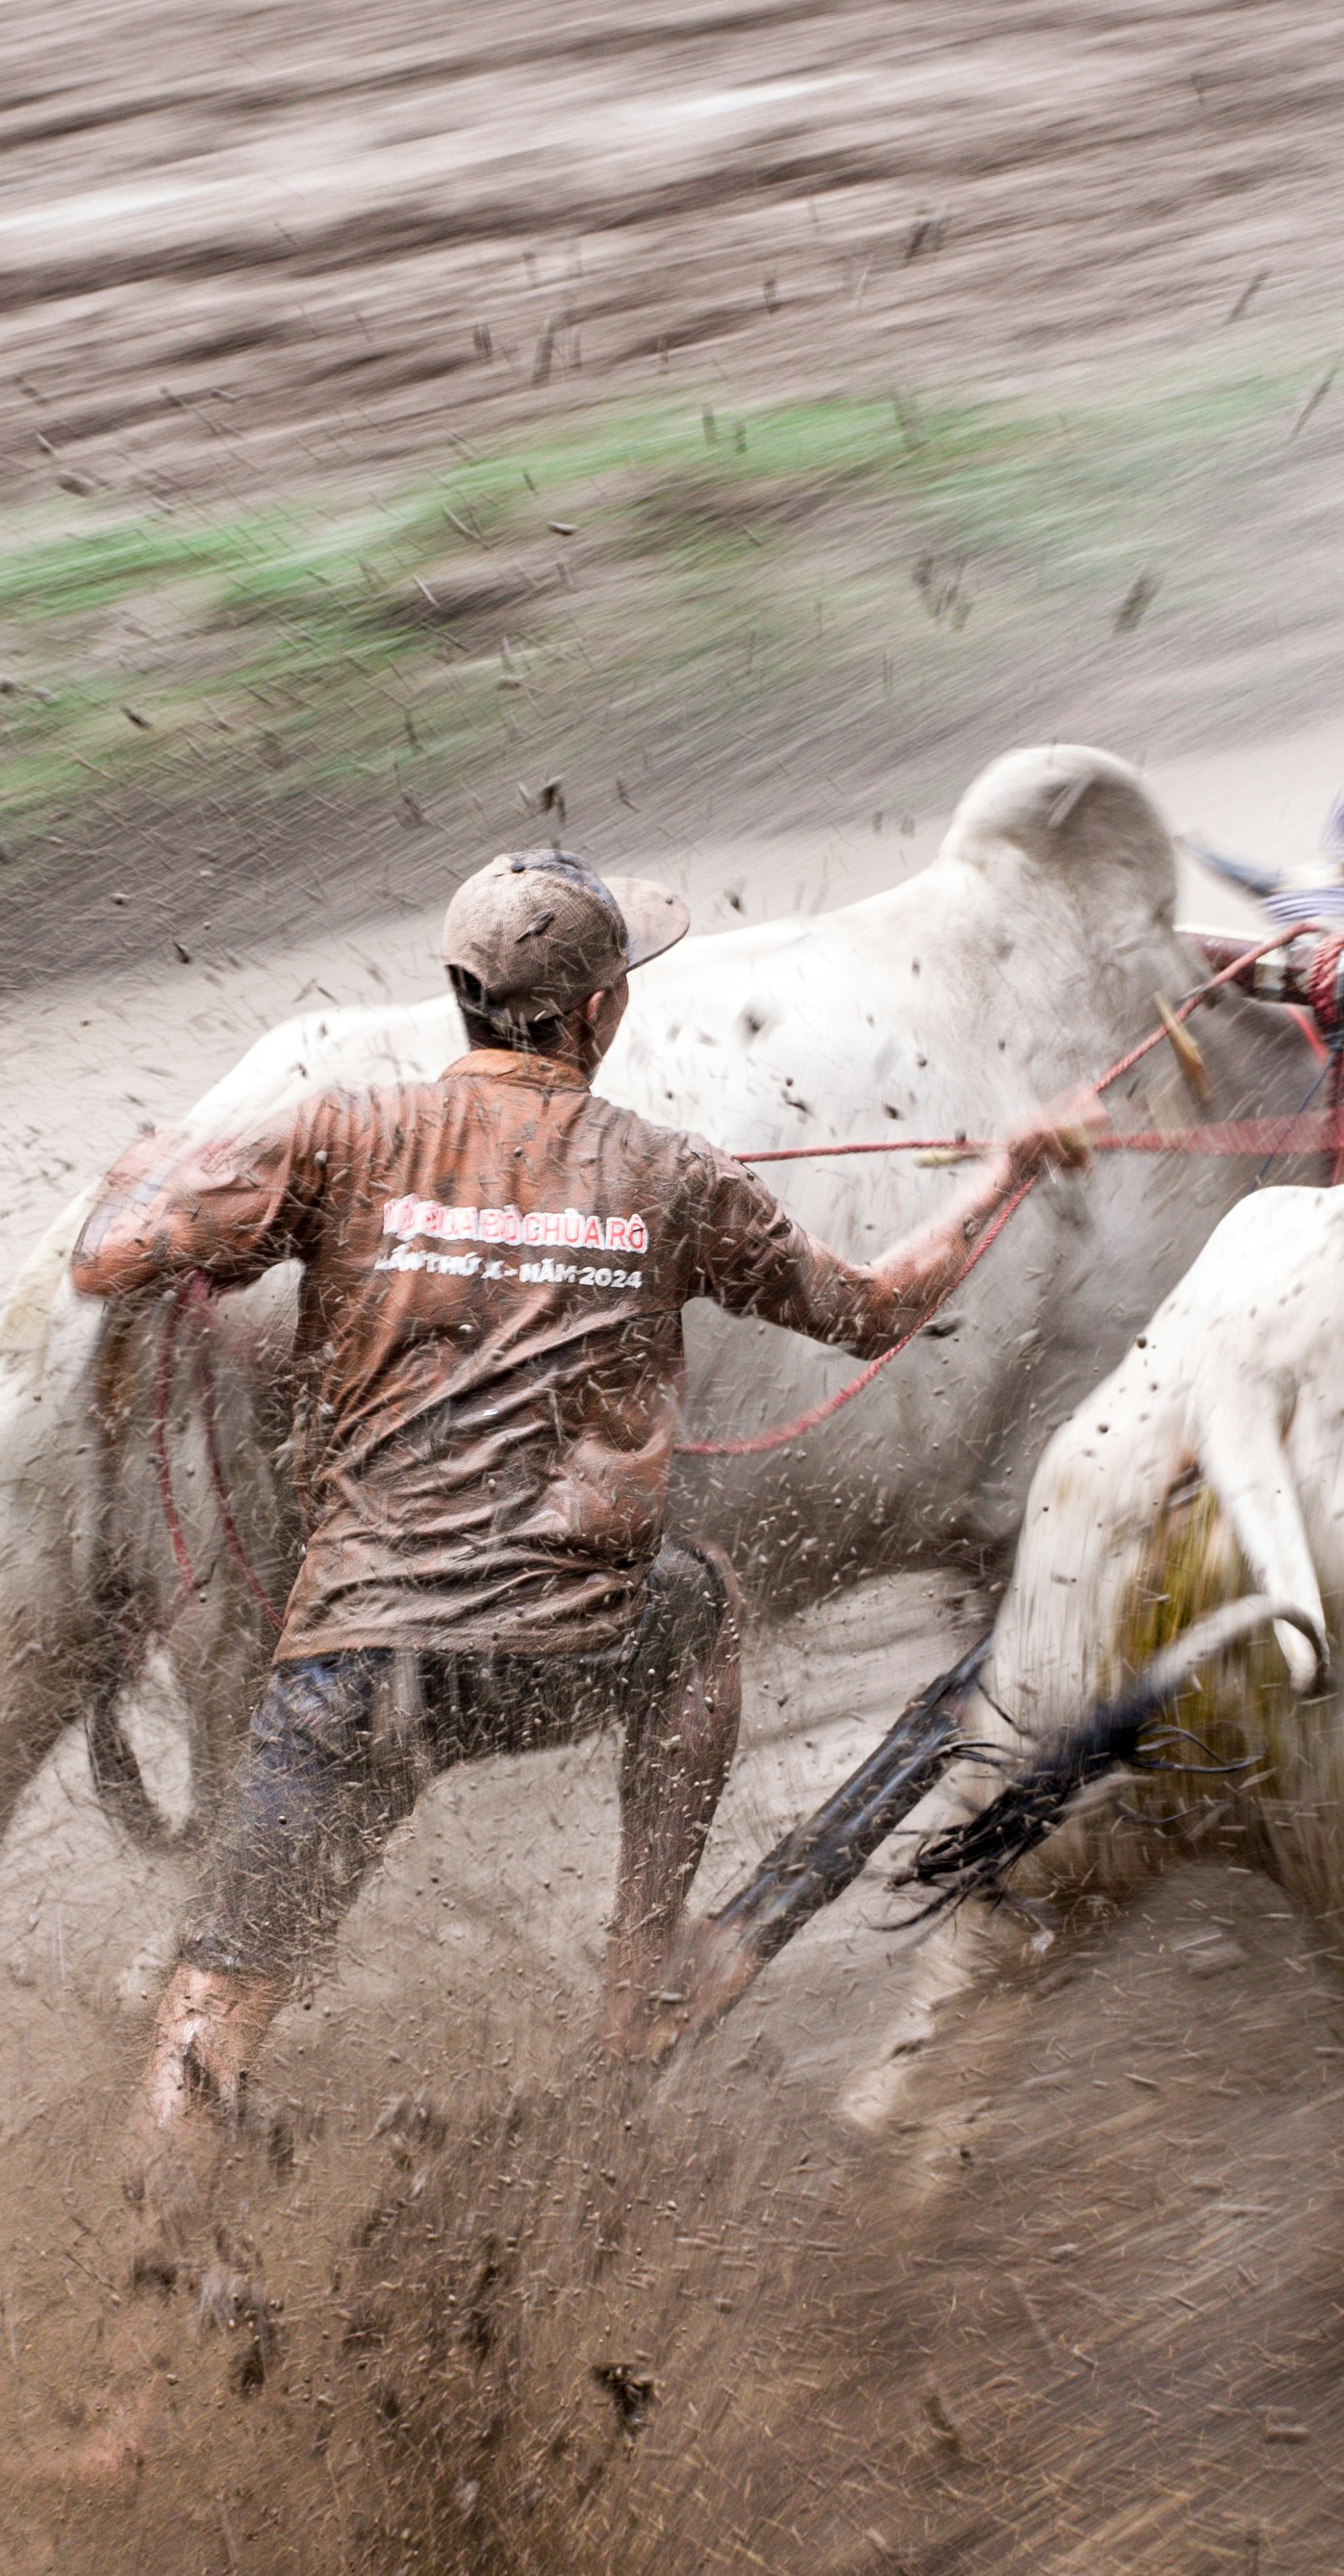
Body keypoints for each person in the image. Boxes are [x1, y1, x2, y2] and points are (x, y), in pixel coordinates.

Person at [64, 846, 1102, 2207]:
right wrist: (1009, 1170)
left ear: (458, 994)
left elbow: (109, 1259)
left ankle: (138, 2365)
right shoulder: (668, 1173)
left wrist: (153, 1179)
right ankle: (633, 1988)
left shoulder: (336, 1134)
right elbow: (873, 1309)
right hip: (566, 1645)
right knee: (703, 1609)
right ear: (603, 1011)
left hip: (354, 1656)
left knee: (204, 2027)